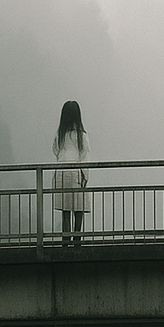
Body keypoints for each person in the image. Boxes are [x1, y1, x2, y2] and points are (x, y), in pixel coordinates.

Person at [52, 100, 90, 246]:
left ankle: (65, 242)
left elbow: (55, 151)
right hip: (76, 173)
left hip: (61, 173)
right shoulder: (81, 135)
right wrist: (85, 176)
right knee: (78, 210)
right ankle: (77, 242)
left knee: (65, 211)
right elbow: (85, 155)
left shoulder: (60, 135)